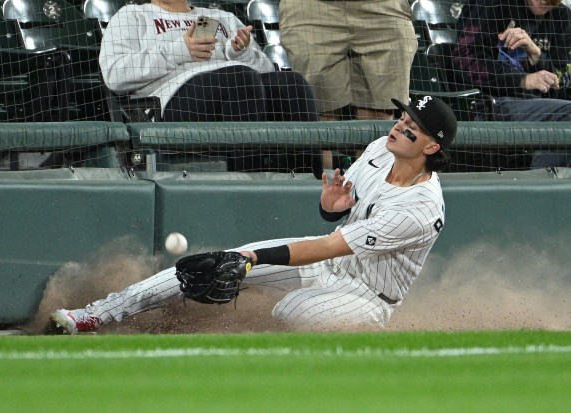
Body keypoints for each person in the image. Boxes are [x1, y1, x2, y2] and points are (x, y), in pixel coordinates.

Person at [50, 95, 457, 334]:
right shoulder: (376, 150)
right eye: (402, 118)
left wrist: (256, 259)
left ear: (431, 148)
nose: (397, 127)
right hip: (330, 267)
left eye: (411, 128)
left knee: (289, 309)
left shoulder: (418, 209)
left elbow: (328, 245)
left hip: (367, 297)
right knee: (212, 263)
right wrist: (330, 208)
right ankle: (93, 316)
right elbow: (333, 226)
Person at [100, 0, 318, 122]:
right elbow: (115, 75)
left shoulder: (218, 17)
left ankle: (308, 182)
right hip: (167, 103)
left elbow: (266, 71)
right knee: (240, 79)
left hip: (237, 85)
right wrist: (179, 51)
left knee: (292, 84)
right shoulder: (132, 15)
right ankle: (246, 182)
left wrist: (239, 53)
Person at [277, 0, 417, 121]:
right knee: (320, 111)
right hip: (311, 8)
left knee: (380, 110)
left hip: (381, 7)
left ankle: (372, 153)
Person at [452, 0, 571, 122]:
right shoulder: (494, 4)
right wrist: (522, 80)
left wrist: (536, 56)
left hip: (537, 102)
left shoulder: (562, 17)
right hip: (489, 103)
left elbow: (562, 84)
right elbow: (463, 59)